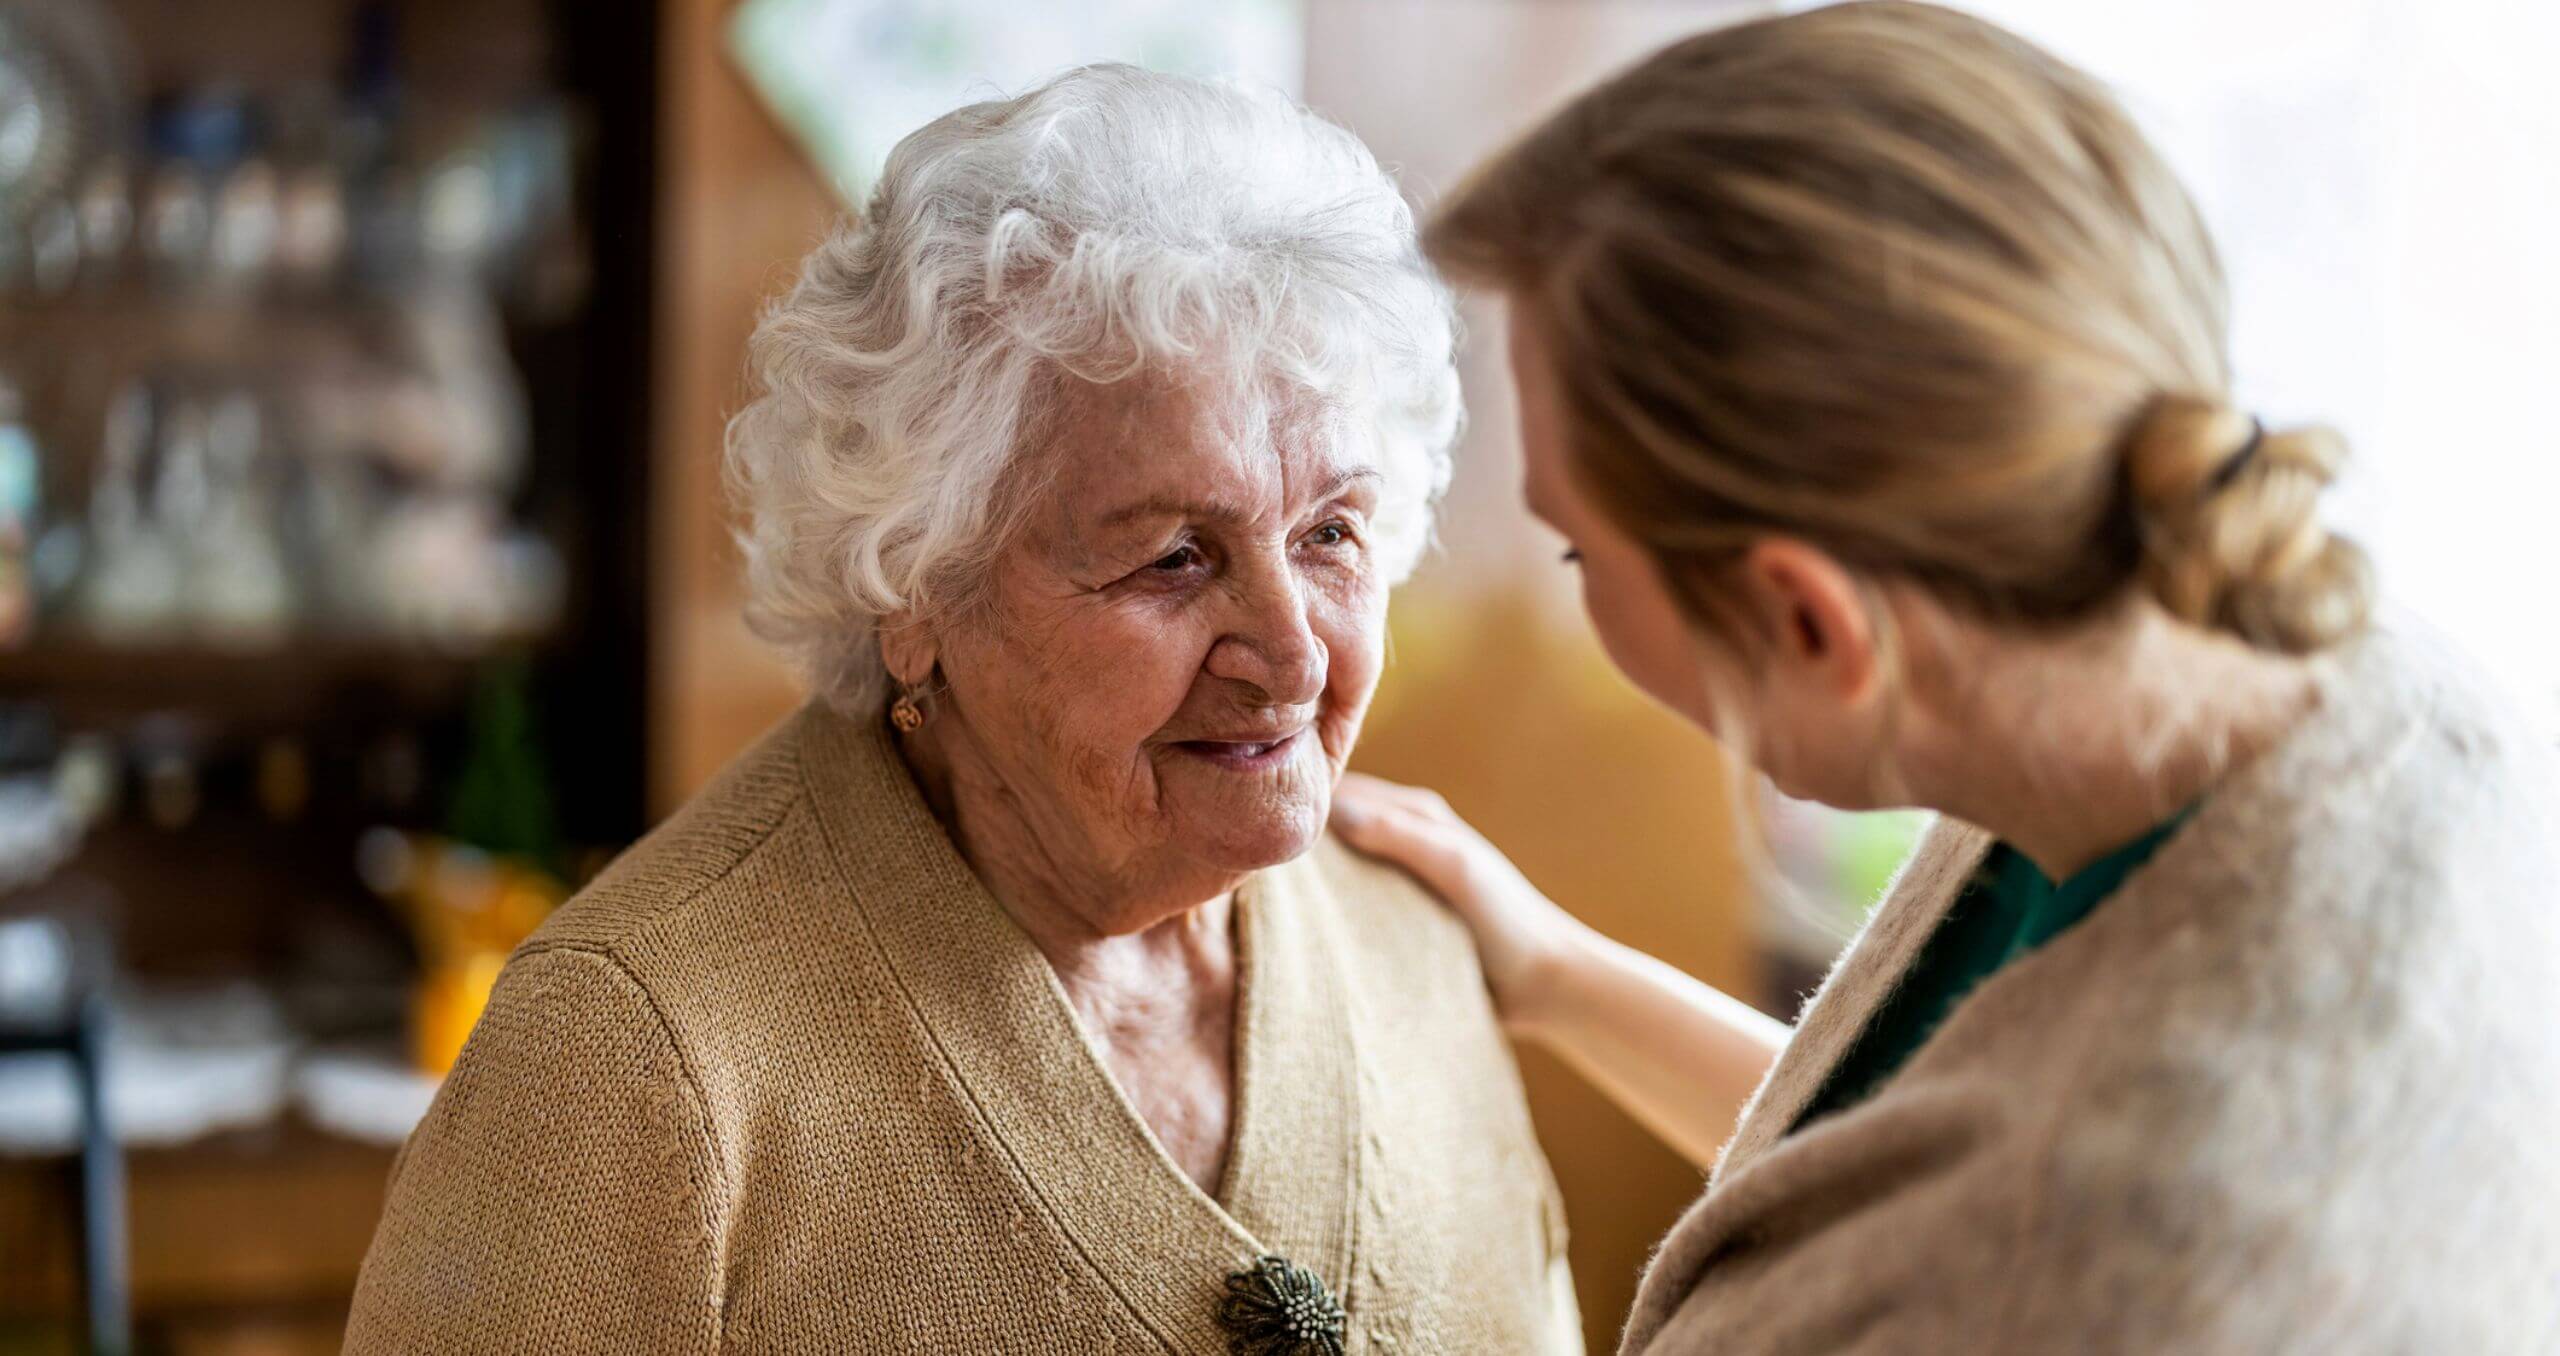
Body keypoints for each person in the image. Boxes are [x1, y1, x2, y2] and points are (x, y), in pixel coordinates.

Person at [1334, 3, 2560, 1351]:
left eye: (1574, 549)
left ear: (1807, 621)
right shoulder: (2320, 682)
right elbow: (1904, 1171)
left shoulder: (2138, 1258)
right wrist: (1558, 971)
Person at [345, 65, 1580, 1354]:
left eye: (1332, 533)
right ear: (916, 584)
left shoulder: (1420, 950)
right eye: (1173, 557)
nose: (1291, 657)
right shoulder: (630, 1065)